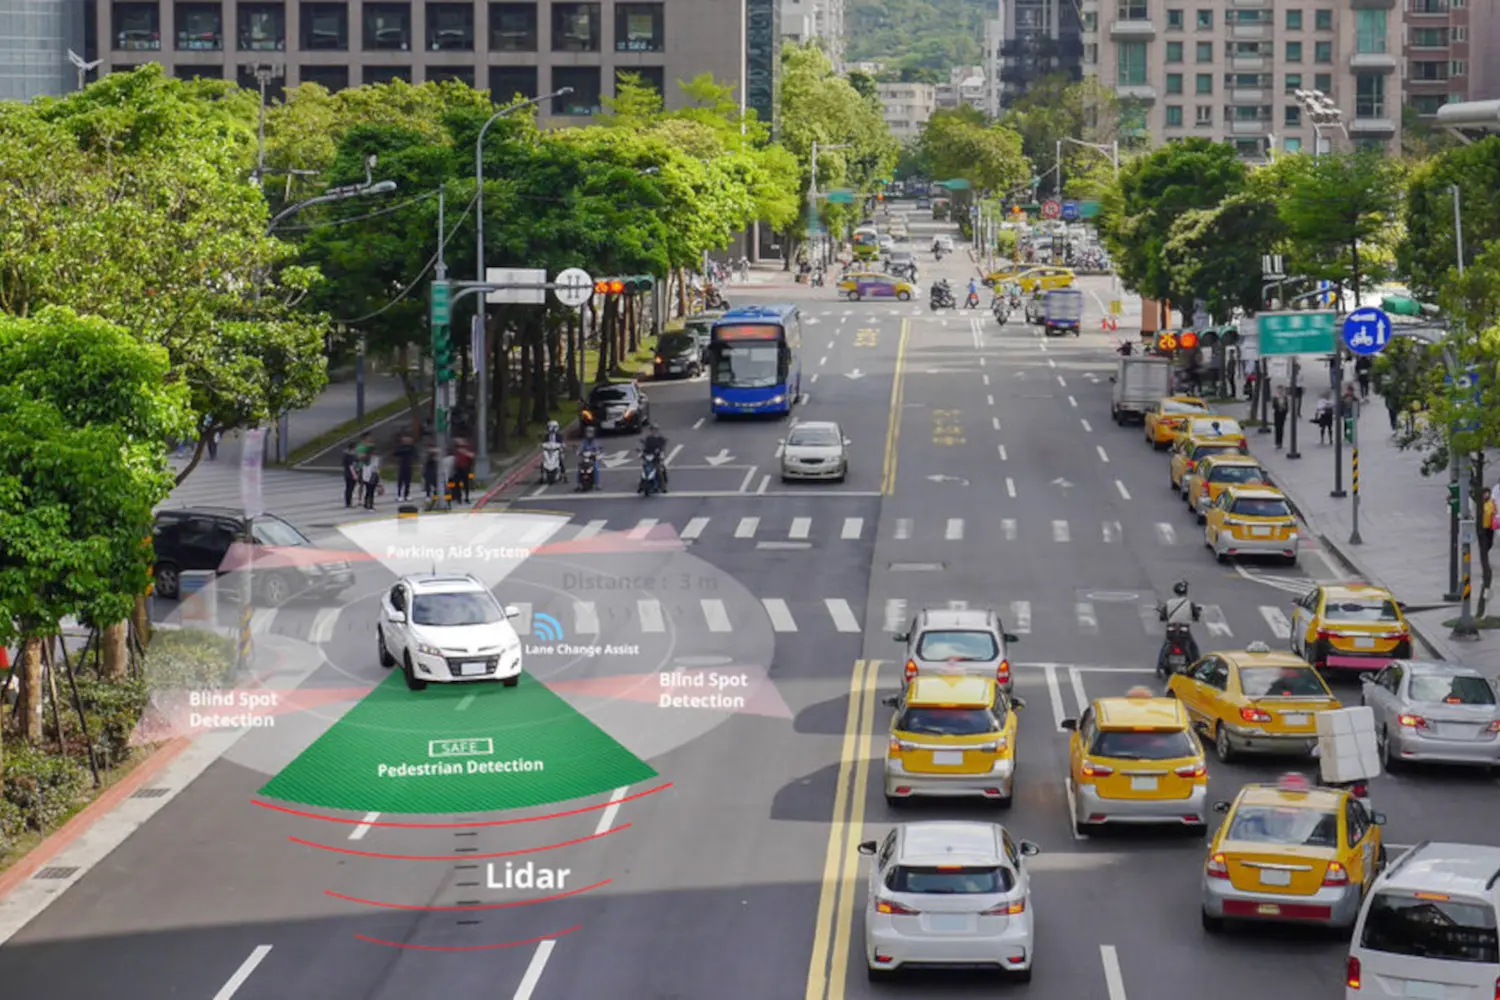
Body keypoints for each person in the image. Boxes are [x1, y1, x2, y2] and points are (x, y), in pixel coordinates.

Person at [641, 423, 669, 493]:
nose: (654, 431)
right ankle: (641, 486)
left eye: (655, 429)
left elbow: (662, 447)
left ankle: (663, 487)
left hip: (656, 458)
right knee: (644, 469)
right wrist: (642, 453)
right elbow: (645, 447)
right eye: (652, 429)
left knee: (658, 471)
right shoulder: (648, 438)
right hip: (649, 457)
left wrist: (659, 451)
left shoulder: (660, 438)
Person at [392, 434, 416, 502]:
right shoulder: (400, 447)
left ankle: (407, 495)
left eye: (409, 440)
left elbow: (415, 454)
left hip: (409, 465)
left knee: (408, 482)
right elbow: (395, 453)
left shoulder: (412, 447)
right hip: (401, 465)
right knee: (400, 481)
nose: (407, 441)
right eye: (405, 440)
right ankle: (398, 495)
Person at [1481, 488, 1496, 590]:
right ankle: (1485, 565)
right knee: (1485, 545)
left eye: (1487, 494)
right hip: (1483, 528)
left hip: (1490, 527)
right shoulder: (1480, 504)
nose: (1486, 495)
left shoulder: (1491, 503)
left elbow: (1494, 512)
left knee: (1489, 544)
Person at [341, 443, 360, 507]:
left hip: (347, 474)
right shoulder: (351, 456)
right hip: (351, 474)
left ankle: (348, 502)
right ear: (353, 448)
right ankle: (349, 503)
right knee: (350, 489)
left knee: (348, 488)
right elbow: (352, 467)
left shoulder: (346, 455)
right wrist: (355, 475)